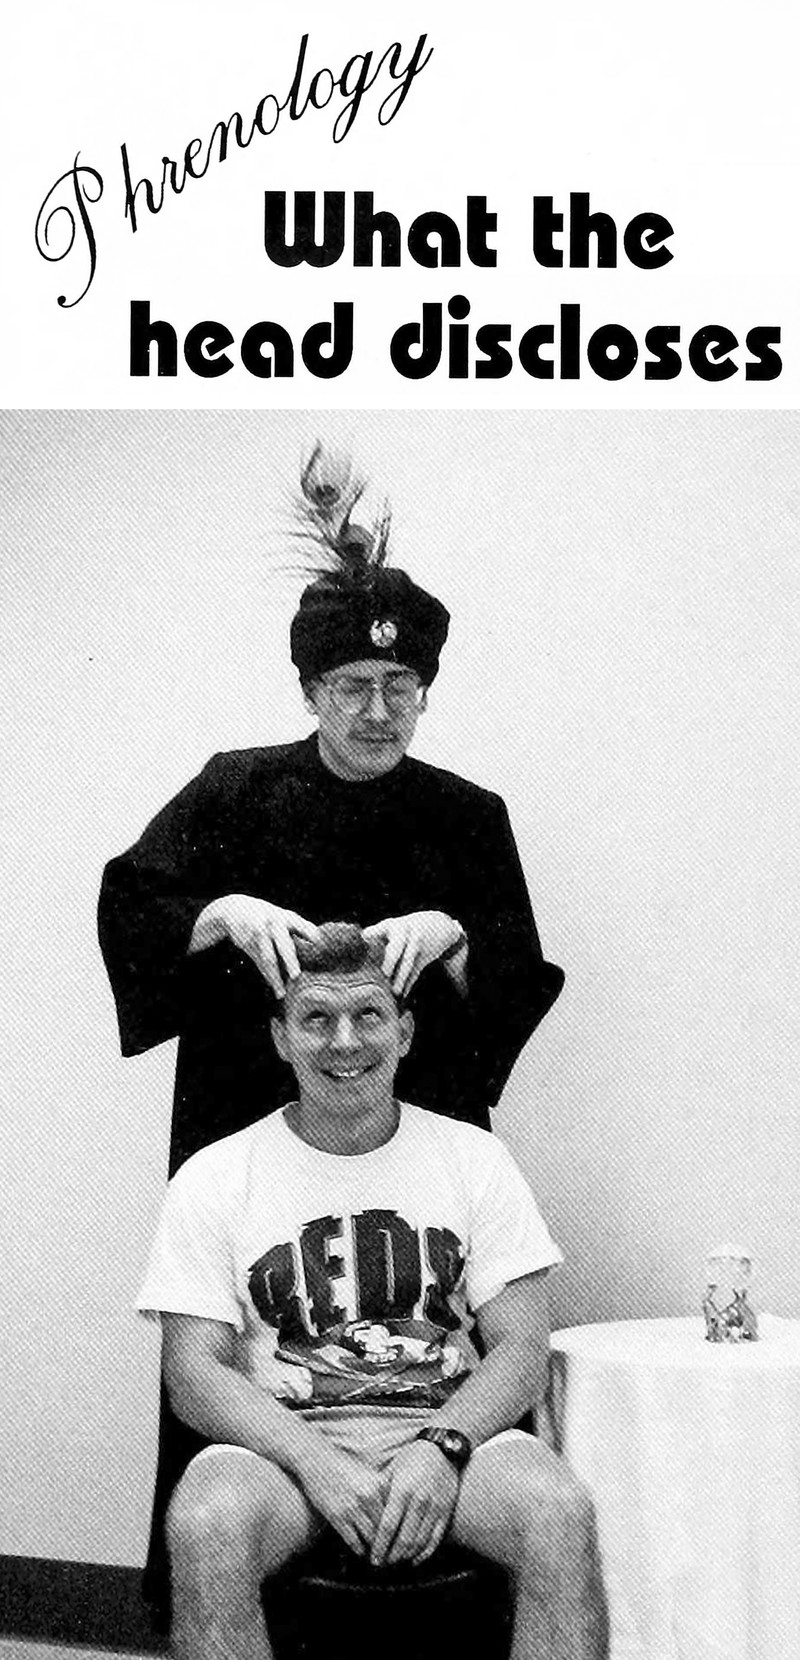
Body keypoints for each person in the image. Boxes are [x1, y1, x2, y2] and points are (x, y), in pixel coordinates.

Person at [100, 444, 564, 1618]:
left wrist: (454, 937)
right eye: (352, 685)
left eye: (399, 687)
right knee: (237, 1406)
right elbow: (131, 911)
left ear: (426, 693)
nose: (376, 710)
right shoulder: (233, 789)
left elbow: (515, 980)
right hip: (247, 1124)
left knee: (436, 1354)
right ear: (310, 689)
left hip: (420, 1131)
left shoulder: (467, 815)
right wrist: (218, 910)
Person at [137, 925, 608, 1660]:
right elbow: (193, 1373)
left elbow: (521, 1346)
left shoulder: (473, 1158)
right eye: (316, 1018)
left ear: (405, 1032)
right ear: (281, 1038)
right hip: (285, 1452)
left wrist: (441, 1448)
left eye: (368, 1015)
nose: (345, 1041)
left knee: (557, 1510)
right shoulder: (216, 1176)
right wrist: (314, 1461)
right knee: (207, 1520)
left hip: (449, 1434)